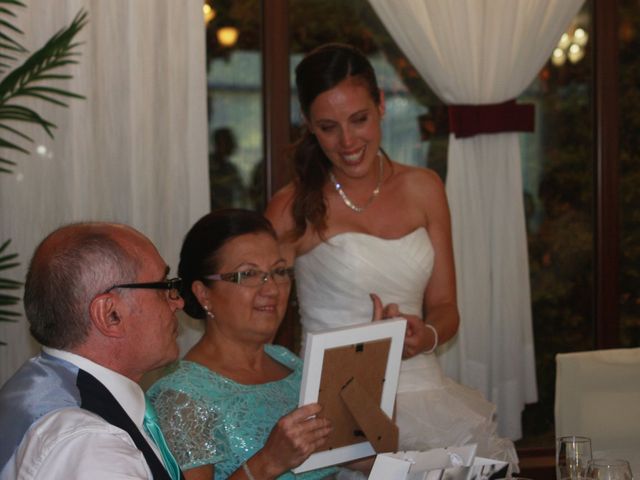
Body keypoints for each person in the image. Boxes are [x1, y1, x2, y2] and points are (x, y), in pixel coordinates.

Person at [265, 43, 518, 467]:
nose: (347, 141)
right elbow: (255, 319)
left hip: (428, 395)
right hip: (338, 415)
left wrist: (426, 335)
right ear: (308, 125)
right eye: (328, 127)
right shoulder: (293, 207)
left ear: (381, 104)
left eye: (359, 119)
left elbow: (446, 307)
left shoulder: (425, 187)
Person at [147, 209, 336, 480]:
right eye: (247, 274)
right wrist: (268, 462)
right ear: (203, 294)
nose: (271, 289)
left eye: (279, 271)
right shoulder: (181, 397)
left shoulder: (288, 361)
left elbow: (353, 459)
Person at [0, 222, 185, 479]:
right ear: (110, 314)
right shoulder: (93, 446)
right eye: (163, 286)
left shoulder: (35, 383)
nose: (178, 301)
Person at [209, 127, 247, 210]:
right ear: (218, 143)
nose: (232, 145)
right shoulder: (208, 167)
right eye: (228, 142)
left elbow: (242, 192)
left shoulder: (230, 168)